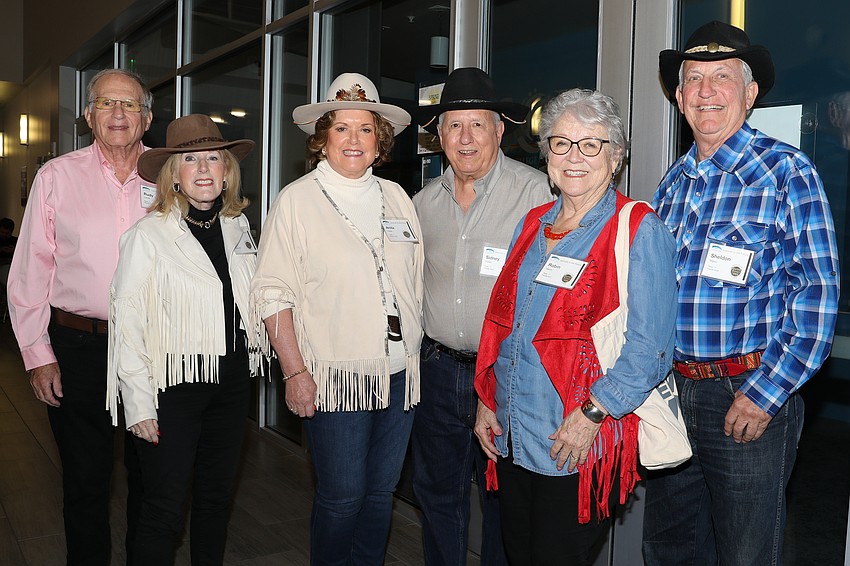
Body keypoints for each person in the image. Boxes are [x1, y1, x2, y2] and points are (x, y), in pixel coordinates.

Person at [643, 21, 840, 565]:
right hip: (671, 395)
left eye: (721, 78)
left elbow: (816, 295)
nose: (706, 92)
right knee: (670, 550)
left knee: (747, 555)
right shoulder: (671, 184)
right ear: (678, 96)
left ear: (750, 93)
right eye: (694, 80)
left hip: (746, 395)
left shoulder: (786, 172)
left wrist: (764, 393)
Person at [473, 88, 677, 566]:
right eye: (561, 143)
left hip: (575, 439)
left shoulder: (638, 228)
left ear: (617, 156)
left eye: (592, 144)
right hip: (515, 433)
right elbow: (506, 323)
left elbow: (650, 349)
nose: (575, 157)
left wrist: (592, 415)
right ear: (546, 156)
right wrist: (486, 399)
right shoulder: (533, 222)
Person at [250, 72, 423, 565]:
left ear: (380, 140)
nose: (353, 139)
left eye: (365, 129)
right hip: (335, 378)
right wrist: (295, 372)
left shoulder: (396, 198)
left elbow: (413, 283)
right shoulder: (296, 201)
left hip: (398, 374)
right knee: (343, 496)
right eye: (341, 128)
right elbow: (271, 293)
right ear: (322, 137)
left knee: (379, 494)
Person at [7, 68, 153, 566]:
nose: (118, 113)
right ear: (88, 115)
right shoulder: (56, 176)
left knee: (152, 478)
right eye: (106, 103)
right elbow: (29, 273)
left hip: (154, 349)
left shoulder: (169, 179)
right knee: (86, 481)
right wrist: (37, 355)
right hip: (77, 348)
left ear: (147, 117)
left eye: (130, 104)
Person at [410, 66, 553, 566]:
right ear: (439, 135)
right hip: (436, 370)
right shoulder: (421, 205)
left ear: (499, 129)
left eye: (478, 123)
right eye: (453, 124)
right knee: (437, 495)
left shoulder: (537, 196)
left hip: (505, 373)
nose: (465, 137)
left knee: (502, 499)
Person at [106, 114, 260, 565]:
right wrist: (137, 403)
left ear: (228, 168)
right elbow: (127, 322)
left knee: (215, 503)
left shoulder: (237, 228)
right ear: (173, 173)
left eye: (214, 157)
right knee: (164, 511)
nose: (205, 168)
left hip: (232, 386)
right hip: (172, 390)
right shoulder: (147, 236)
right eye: (190, 159)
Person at [0, 217, 17, 288]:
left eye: (7, 233)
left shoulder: (15, 241)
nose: (4, 235)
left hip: (12, 268)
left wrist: (15, 251)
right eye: (2, 232)